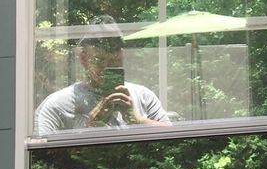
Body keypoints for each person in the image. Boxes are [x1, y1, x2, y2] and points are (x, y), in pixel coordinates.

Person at [34, 16, 170, 135]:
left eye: (115, 61)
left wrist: (138, 120)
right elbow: (43, 159)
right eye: (99, 61)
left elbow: (173, 141)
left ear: (123, 57)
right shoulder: (57, 106)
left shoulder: (144, 97)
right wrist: (92, 128)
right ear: (83, 59)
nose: (107, 68)